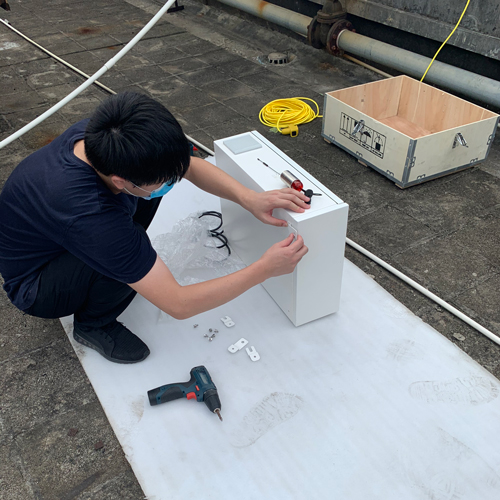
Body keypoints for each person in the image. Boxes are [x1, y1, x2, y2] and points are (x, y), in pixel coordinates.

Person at [0, 92, 309, 364]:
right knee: (128, 245)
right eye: (165, 180)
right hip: (35, 285)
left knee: (143, 206)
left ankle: (128, 266)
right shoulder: (94, 218)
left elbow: (187, 166)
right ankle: (93, 324)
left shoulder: (107, 137)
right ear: (119, 181)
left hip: (59, 235)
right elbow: (178, 304)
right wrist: (264, 270)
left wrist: (249, 198)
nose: (173, 182)